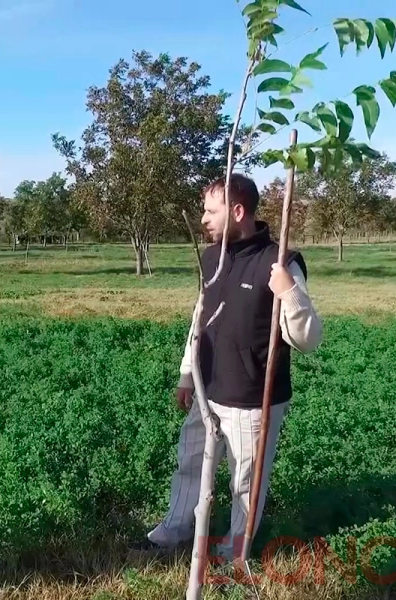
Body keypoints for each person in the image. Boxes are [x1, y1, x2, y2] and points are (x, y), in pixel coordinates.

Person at [131, 173, 323, 563]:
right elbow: (200, 318)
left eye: (210, 210)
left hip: (252, 397)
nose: (203, 218)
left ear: (237, 212)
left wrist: (287, 290)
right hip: (208, 388)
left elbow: (309, 339)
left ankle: (237, 548)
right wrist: (188, 373)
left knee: (245, 481)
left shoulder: (280, 262)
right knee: (190, 460)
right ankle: (177, 527)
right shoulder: (210, 257)